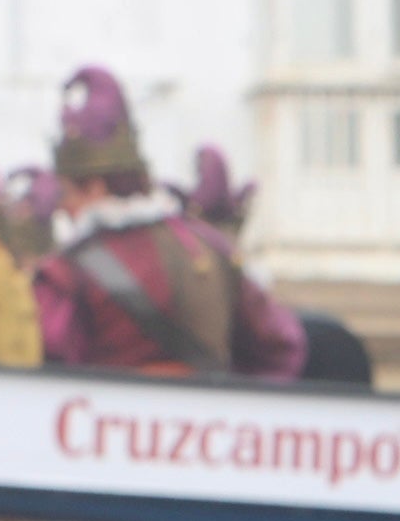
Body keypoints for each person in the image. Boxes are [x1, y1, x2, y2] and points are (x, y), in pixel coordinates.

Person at [33, 66, 304, 378]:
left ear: (95, 187)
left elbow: (50, 364)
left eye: (66, 194)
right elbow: (280, 346)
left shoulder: (66, 271)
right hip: (210, 423)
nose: (62, 209)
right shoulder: (212, 248)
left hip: (111, 422)